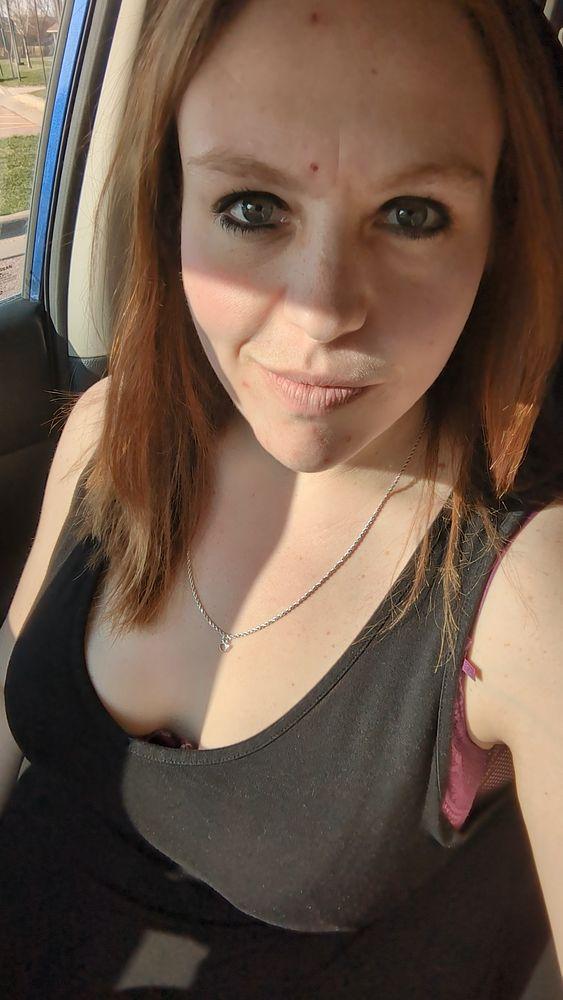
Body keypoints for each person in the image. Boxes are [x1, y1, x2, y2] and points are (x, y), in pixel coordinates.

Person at [0, 0, 562, 996]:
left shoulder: (526, 591)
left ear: (500, 233)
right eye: (252, 208)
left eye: (412, 214)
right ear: (171, 205)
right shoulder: (107, 433)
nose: (323, 310)